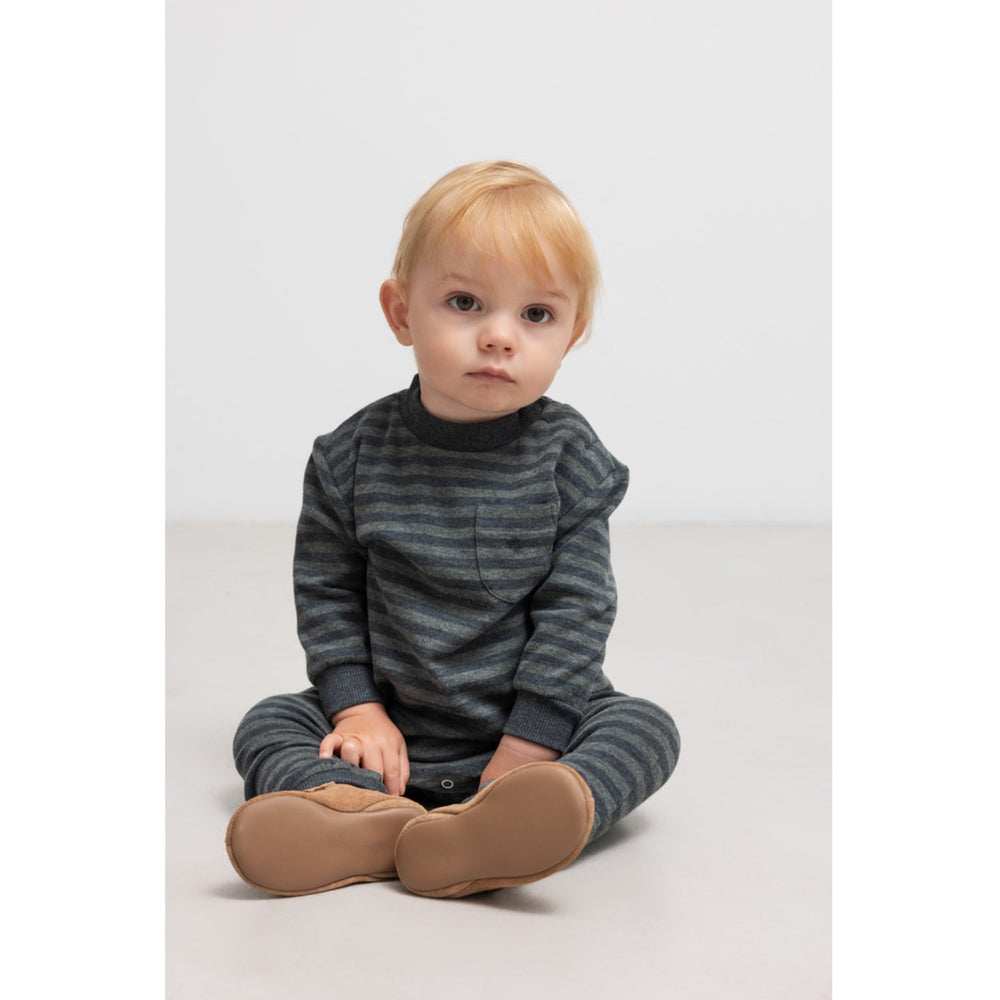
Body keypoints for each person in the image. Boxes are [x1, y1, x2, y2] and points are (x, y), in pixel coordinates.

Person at [226, 161, 680, 899]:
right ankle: (363, 816)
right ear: (401, 312)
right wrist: (356, 708)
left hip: (529, 729)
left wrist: (529, 745)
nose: (500, 337)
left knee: (644, 727)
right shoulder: (350, 457)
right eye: (465, 303)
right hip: (392, 726)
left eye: (537, 315)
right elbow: (327, 596)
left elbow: (578, 610)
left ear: (572, 334)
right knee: (268, 723)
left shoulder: (569, 459)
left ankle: (506, 822)